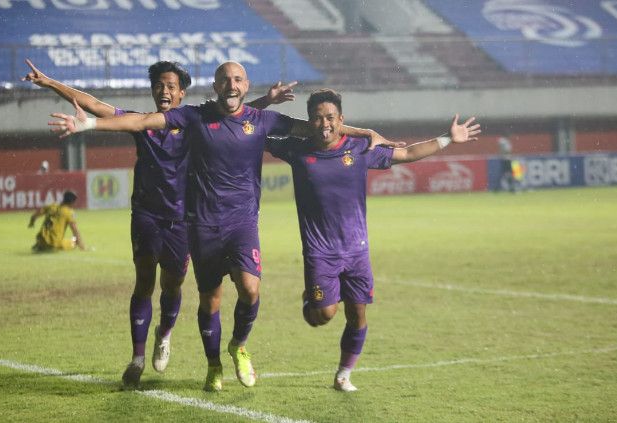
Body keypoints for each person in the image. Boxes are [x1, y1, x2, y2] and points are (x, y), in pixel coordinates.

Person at [47, 61, 399, 392]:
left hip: (241, 221)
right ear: (214, 86)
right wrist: (87, 124)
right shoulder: (194, 117)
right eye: (225, 80)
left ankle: (238, 346)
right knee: (206, 298)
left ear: (245, 85)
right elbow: (139, 122)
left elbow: (318, 128)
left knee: (249, 289)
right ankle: (211, 363)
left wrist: (364, 131)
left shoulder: (261, 119)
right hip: (197, 222)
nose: (231, 85)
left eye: (238, 79)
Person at [24, 59, 296, 388]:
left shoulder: (196, 122)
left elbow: (235, 113)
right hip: (147, 215)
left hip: (185, 219)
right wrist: (52, 83)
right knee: (144, 281)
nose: (164, 90)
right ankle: (137, 359)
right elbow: (96, 105)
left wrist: (266, 101)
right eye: (159, 85)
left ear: (182, 93)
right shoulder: (148, 124)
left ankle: (164, 334)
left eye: (171, 86)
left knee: (173, 284)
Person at [265, 89, 481, 392]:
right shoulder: (296, 150)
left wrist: (447, 138)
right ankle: (310, 301)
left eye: (330, 117)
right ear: (309, 121)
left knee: (358, 314)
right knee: (322, 316)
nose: (324, 124)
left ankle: (343, 374)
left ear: (341, 120)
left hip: (356, 251)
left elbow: (406, 153)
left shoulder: (361, 149)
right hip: (320, 252)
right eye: (317, 118)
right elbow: (254, 130)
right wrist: (259, 105)